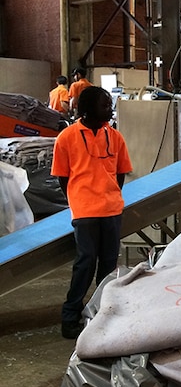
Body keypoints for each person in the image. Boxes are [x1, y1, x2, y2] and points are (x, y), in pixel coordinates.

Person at [51, 86, 132, 339]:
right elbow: (63, 178)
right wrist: (80, 198)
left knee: (108, 264)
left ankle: (103, 314)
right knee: (86, 262)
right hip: (85, 211)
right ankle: (70, 317)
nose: (110, 108)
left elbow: (120, 173)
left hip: (111, 209)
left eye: (110, 104)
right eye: (105, 104)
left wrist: (109, 195)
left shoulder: (115, 137)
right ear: (87, 109)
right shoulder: (67, 137)